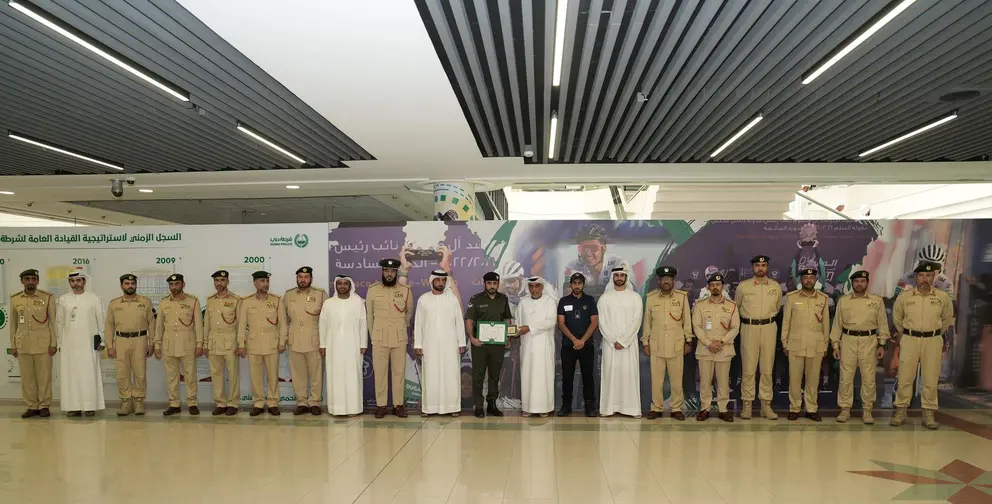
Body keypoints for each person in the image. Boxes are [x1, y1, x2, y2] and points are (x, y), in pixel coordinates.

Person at [890, 262, 954, 430]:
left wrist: (935, 333)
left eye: (928, 275)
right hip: (910, 339)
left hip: (932, 340)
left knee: (930, 378)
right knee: (904, 377)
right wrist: (906, 333)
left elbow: (947, 318)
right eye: (920, 276)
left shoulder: (942, 297)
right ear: (915, 277)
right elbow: (897, 318)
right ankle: (901, 411)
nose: (924, 279)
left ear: (933, 277)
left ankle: (928, 413)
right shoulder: (905, 296)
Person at [830, 270, 888, 424]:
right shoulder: (844, 301)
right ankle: (845, 409)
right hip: (848, 340)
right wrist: (835, 345)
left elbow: (882, 324)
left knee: (868, 378)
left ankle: (867, 410)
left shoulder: (877, 301)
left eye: (862, 281)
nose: (859, 284)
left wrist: (882, 344)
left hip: (869, 341)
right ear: (852, 283)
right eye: (856, 281)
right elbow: (837, 324)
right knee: (845, 378)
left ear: (867, 282)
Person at [734, 255, 782, 420]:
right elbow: (737, 306)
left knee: (767, 369)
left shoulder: (775, 287)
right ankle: (747, 405)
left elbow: (777, 307)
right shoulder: (743, 286)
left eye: (763, 265)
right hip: (749, 327)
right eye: (757, 265)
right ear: (752, 268)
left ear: (767, 267)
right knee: (748, 368)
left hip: (769, 327)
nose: (760, 268)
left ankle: (766, 405)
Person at [414, 270, 466, 417]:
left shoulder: (452, 299)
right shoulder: (423, 299)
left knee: (451, 375)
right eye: (438, 280)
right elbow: (419, 324)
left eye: (443, 280)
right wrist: (418, 344)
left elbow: (459, 322)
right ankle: (429, 408)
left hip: (450, 345)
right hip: (429, 345)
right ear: (432, 282)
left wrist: (461, 342)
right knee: (431, 375)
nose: (440, 283)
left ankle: (452, 407)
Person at [642, 266, 692, 420]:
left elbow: (687, 321)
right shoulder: (651, 298)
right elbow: (647, 322)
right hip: (656, 344)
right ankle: (656, 407)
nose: (667, 281)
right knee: (656, 380)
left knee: (677, 379)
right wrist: (645, 341)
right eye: (664, 279)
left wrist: (688, 340)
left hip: (676, 344)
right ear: (658, 280)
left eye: (669, 279)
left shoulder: (682, 297)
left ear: (673, 281)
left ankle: (676, 408)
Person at [366, 259, 414, 418]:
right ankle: (381, 406)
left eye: (392, 271)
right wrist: (373, 335)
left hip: (399, 337)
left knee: (398, 372)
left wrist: (401, 325)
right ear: (382, 272)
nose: (389, 274)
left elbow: (409, 313)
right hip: (379, 338)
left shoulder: (406, 290)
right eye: (386, 270)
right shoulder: (372, 290)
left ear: (396, 273)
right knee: (380, 373)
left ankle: (398, 405)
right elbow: (369, 316)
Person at [781, 268, 830, 422]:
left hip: (815, 345)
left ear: (816, 280)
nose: (809, 280)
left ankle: (811, 409)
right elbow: (786, 321)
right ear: (800, 280)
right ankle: (794, 408)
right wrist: (784, 342)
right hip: (795, 344)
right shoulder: (791, 298)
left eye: (811, 278)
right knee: (794, 379)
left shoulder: (823, 298)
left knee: (813, 379)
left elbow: (826, 324)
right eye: (805, 278)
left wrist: (825, 344)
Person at [238, 271, 287, 417]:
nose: (265, 284)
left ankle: (272, 403)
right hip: (253, 343)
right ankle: (258, 403)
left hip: (272, 342)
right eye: (261, 281)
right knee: (256, 376)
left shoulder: (277, 300)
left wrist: (282, 341)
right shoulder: (246, 302)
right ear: (254, 283)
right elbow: (241, 325)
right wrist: (241, 343)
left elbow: (283, 324)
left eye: (266, 281)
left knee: (273, 375)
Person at [56, 272, 105, 416]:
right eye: (72, 281)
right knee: (70, 376)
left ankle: (90, 406)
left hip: (88, 344)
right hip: (69, 345)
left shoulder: (94, 298)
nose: (75, 284)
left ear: (84, 281)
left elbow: (101, 320)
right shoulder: (63, 299)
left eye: (78, 280)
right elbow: (59, 323)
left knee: (89, 374)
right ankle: (73, 407)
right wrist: (60, 343)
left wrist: (102, 340)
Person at [465, 271, 513, 418]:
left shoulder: (503, 299)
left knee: (494, 375)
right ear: (484, 283)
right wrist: (472, 338)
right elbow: (469, 321)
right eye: (489, 283)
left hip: (497, 345)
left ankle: (492, 404)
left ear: (498, 284)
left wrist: (508, 338)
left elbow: (506, 320)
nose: (492, 286)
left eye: (494, 283)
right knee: (478, 375)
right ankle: (479, 406)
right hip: (480, 344)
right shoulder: (476, 299)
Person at [692, 273, 739, 422]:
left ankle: (723, 409)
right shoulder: (700, 305)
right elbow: (697, 327)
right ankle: (705, 408)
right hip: (706, 349)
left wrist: (722, 342)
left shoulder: (731, 306)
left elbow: (735, 328)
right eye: (712, 285)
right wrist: (708, 343)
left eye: (718, 285)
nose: (715, 287)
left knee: (723, 381)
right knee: (705, 381)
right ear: (708, 287)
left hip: (723, 350)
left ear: (722, 286)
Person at [154, 274, 203, 416]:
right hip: (169, 344)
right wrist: (157, 345)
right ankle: (174, 404)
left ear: (183, 284)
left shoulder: (193, 301)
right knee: (171, 377)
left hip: (188, 342)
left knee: (190, 375)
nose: (174, 287)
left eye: (177, 284)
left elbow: (198, 325)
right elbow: (159, 326)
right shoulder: (164, 303)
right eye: (171, 284)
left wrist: (199, 343)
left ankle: (192, 403)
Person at [106, 273, 154, 416]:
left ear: (136, 285)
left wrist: (151, 343)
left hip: (140, 339)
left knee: (140, 372)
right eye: (127, 283)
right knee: (122, 372)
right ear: (121, 285)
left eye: (132, 283)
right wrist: (109, 345)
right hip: (121, 340)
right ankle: (126, 401)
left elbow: (152, 323)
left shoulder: (145, 302)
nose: (130, 286)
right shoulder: (114, 303)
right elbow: (109, 325)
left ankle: (139, 400)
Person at [597, 267, 643, 418]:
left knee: (629, 374)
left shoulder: (635, 297)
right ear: (612, 277)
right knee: (610, 375)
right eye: (616, 275)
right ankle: (608, 408)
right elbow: (602, 322)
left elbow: (637, 321)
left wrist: (623, 341)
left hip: (628, 345)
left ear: (626, 277)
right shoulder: (605, 298)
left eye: (622, 275)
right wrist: (613, 340)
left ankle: (632, 409)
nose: (619, 278)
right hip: (610, 345)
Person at [10, 269, 56, 419]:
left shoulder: (47, 297)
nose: (31, 282)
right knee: (27, 378)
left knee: (44, 377)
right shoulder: (15, 299)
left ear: (37, 281)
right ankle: (31, 406)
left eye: (33, 279)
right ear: (22, 281)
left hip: (43, 344)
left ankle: (44, 405)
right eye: (27, 279)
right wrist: (14, 345)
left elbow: (53, 323)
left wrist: (53, 343)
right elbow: (13, 324)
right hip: (23, 343)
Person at [319, 275, 367, 416]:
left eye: (345, 283)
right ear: (336, 286)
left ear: (350, 286)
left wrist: (363, 343)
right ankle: (336, 409)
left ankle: (354, 409)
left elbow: (363, 324)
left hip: (353, 346)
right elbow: (322, 324)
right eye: (339, 283)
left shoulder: (358, 303)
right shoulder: (328, 303)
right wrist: (322, 344)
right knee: (335, 376)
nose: (342, 286)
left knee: (353, 376)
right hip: (333, 346)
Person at [283, 266, 327, 416]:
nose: (303, 279)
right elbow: (284, 320)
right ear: (297, 278)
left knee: (316, 374)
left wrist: (324, 342)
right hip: (295, 339)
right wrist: (283, 339)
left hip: (314, 340)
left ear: (311, 279)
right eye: (300, 277)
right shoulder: (288, 295)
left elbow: (326, 321)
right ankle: (301, 402)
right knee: (298, 374)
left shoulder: (321, 294)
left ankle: (315, 402)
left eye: (306, 277)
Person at [557, 272, 599, 417]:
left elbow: (594, 322)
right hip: (568, 346)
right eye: (574, 283)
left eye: (579, 283)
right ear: (571, 285)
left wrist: (582, 340)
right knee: (567, 377)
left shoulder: (590, 300)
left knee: (588, 376)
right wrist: (574, 340)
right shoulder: (563, 301)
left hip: (586, 346)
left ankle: (589, 406)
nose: (576, 286)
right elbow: (561, 323)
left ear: (583, 284)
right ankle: (566, 406)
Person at [517, 276, 557, 417]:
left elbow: (551, 321)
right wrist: (514, 330)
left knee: (543, 376)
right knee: (527, 375)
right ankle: (527, 407)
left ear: (542, 287)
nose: (534, 289)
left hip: (544, 347)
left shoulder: (549, 302)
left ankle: (544, 408)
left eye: (537, 286)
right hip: (527, 347)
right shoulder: (523, 303)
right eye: (531, 286)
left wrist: (530, 327)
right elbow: (517, 323)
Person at [203, 270, 242, 416]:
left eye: (222, 280)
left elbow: (240, 324)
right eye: (216, 280)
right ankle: (220, 403)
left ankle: (233, 403)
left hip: (230, 342)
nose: (219, 283)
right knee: (216, 374)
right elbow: (206, 323)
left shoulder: (236, 300)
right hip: (214, 342)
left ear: (227, 281)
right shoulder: (210, 300)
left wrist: (240, 343)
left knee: (233, 375)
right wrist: (205, 343)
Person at [563, 224, 634, 297]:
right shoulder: (572, 267)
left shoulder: (619, 263)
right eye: (584, 249)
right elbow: (568, 296)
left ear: (604, 249)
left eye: (593, 248)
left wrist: (585, 291)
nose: (588, 253)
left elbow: (622, 293)